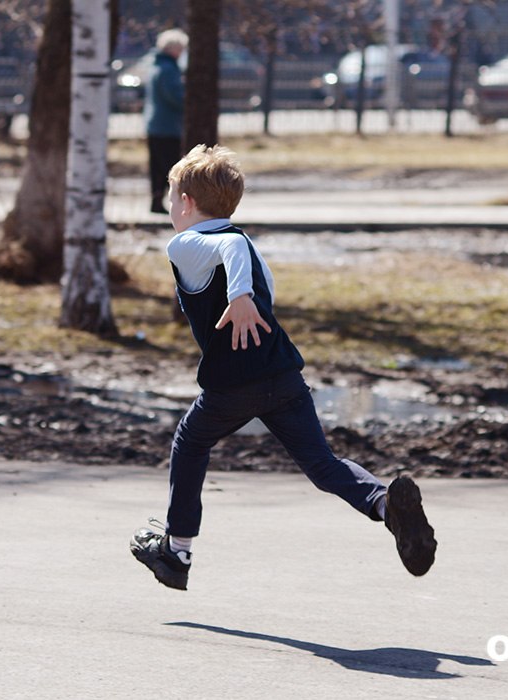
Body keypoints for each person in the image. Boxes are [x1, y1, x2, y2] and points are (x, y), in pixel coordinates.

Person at [130, 145, 438, 590]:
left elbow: (228, 246)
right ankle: (387, 504)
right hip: (283, 377)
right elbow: (251, 269)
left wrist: (238, 297)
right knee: (322, 465)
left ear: (188, 203)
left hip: (234, 384)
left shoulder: (190, 243)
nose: (170, 207)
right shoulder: (247, 245)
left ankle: (176, 553)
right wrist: (245, 295)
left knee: (190, 442)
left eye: (172, 197)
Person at [144, 29, 187, 215]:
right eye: (180, 49)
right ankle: (173, 203)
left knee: (157, 164)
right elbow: (175, 96)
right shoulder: (169, 69)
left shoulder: (155, 65)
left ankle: (156, 200)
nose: (182, 53)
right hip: (167, 124)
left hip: (155, 123)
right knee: (170, 165)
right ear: (173, 49)